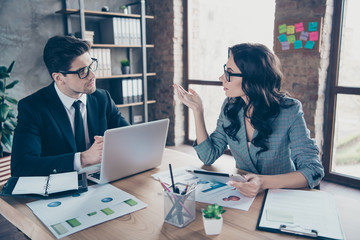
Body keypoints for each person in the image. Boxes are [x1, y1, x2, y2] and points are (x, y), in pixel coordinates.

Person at [174, 43, 324, 197]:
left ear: (251, 78)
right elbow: (208, 156)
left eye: (229, 72)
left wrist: (263, 182)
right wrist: (197, 110)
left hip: (282, 195)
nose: (221, 78)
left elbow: (313, 170)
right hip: (245, 197)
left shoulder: (289, 110)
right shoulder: (230, 107)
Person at [11, 35, 129, 177]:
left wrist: (115, 144)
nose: (92, 75)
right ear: (59, 78)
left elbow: (129, 136)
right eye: (82, 71)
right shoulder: (32, 108)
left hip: (102, 181)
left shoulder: (103, 98)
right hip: (60, 190)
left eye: (91, 66)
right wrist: (83, 158)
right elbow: (22, 166)